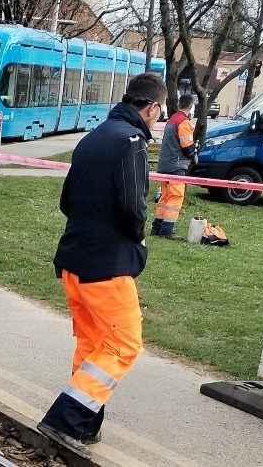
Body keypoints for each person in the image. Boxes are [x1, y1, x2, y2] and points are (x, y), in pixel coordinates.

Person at [37, 72, 168, 458]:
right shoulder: (132, 143)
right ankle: (66, 418)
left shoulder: (93, 137)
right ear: (152, 107)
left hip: (75, 262)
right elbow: (133, 205)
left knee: (94, 345)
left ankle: (86, 423)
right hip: (107, 267)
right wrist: (139, 237)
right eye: (159, 114)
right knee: (125, 344)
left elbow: (66, 201)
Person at [152, 94, 197, 239]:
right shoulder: (183, 122)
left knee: (165, 197)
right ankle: (167, 230)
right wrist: (194, 155)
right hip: (176, 166)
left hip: (164, 165)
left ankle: (157, 227)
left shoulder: (171, 120)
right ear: (190, 107)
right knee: (176, 197)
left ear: (179, 104)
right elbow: (187, 146)